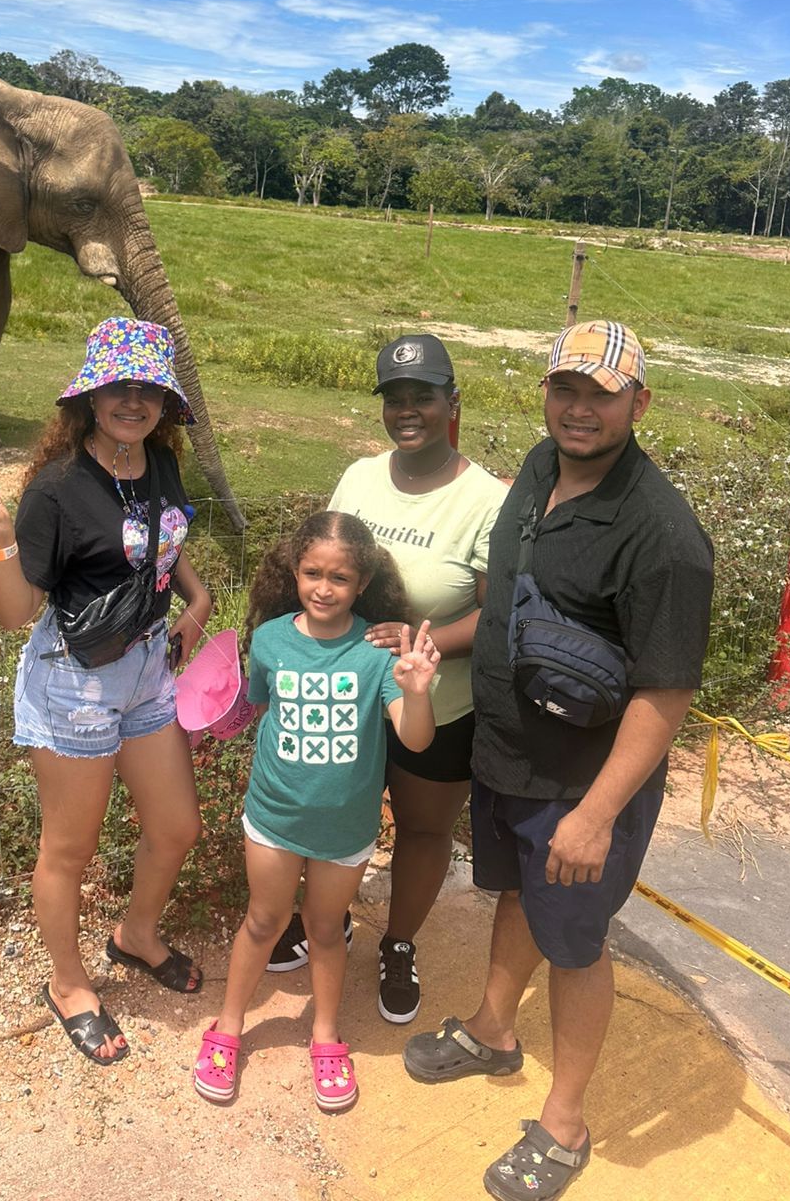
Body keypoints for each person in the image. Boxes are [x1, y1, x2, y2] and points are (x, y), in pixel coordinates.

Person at [403, 320, 714, 1201]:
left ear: (638, 403)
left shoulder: (663, 538)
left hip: (582, 784)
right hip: (508, 755)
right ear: (546, 393)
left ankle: (565, 1122)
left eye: (602, 394)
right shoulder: (540, 469)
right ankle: (495, 1029)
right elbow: (504, 592)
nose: (580, 409)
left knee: (576, 943)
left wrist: (595, 814)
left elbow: (665, 695)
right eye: (566, 388)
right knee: (514, 897)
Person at [0, 317, 212, 1068]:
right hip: (75, 681)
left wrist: (193, 601)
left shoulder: (159, 463)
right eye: (117, 387)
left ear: (163, 403)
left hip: (147, 672)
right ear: (91, 396)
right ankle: (69, 985)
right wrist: (1, 543)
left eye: (147, 389)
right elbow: (14, 613)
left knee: (176, 827)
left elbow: (168, 541)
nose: (132, 401)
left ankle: (136, 934)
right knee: (70, 848)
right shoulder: (58, 489)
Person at [269, 334, 507, 1027]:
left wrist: (422, 644)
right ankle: (330, 917)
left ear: (451, 403)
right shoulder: (359, 479)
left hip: (439, 702)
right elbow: (323, 567)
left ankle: (399, 942)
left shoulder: (486, 500)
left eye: (423, 398)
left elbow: (496, 617)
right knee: (334, 813)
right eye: (395, 398)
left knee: (424, 829)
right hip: (347, 698)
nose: (408, 411)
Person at [192, 512, 440, 1112]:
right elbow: (252, 707)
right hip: (274, 817)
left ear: (362, 584)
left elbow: (415, 740)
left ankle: (325, 1035)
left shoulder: (379, 651)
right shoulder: (272, 639)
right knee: (262, 921)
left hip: (346, 827)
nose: (324, 588)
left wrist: (416, 691)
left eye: (340, 578)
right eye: (312, 573)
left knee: (327, 929)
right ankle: (227, 1028)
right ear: (293, 572)